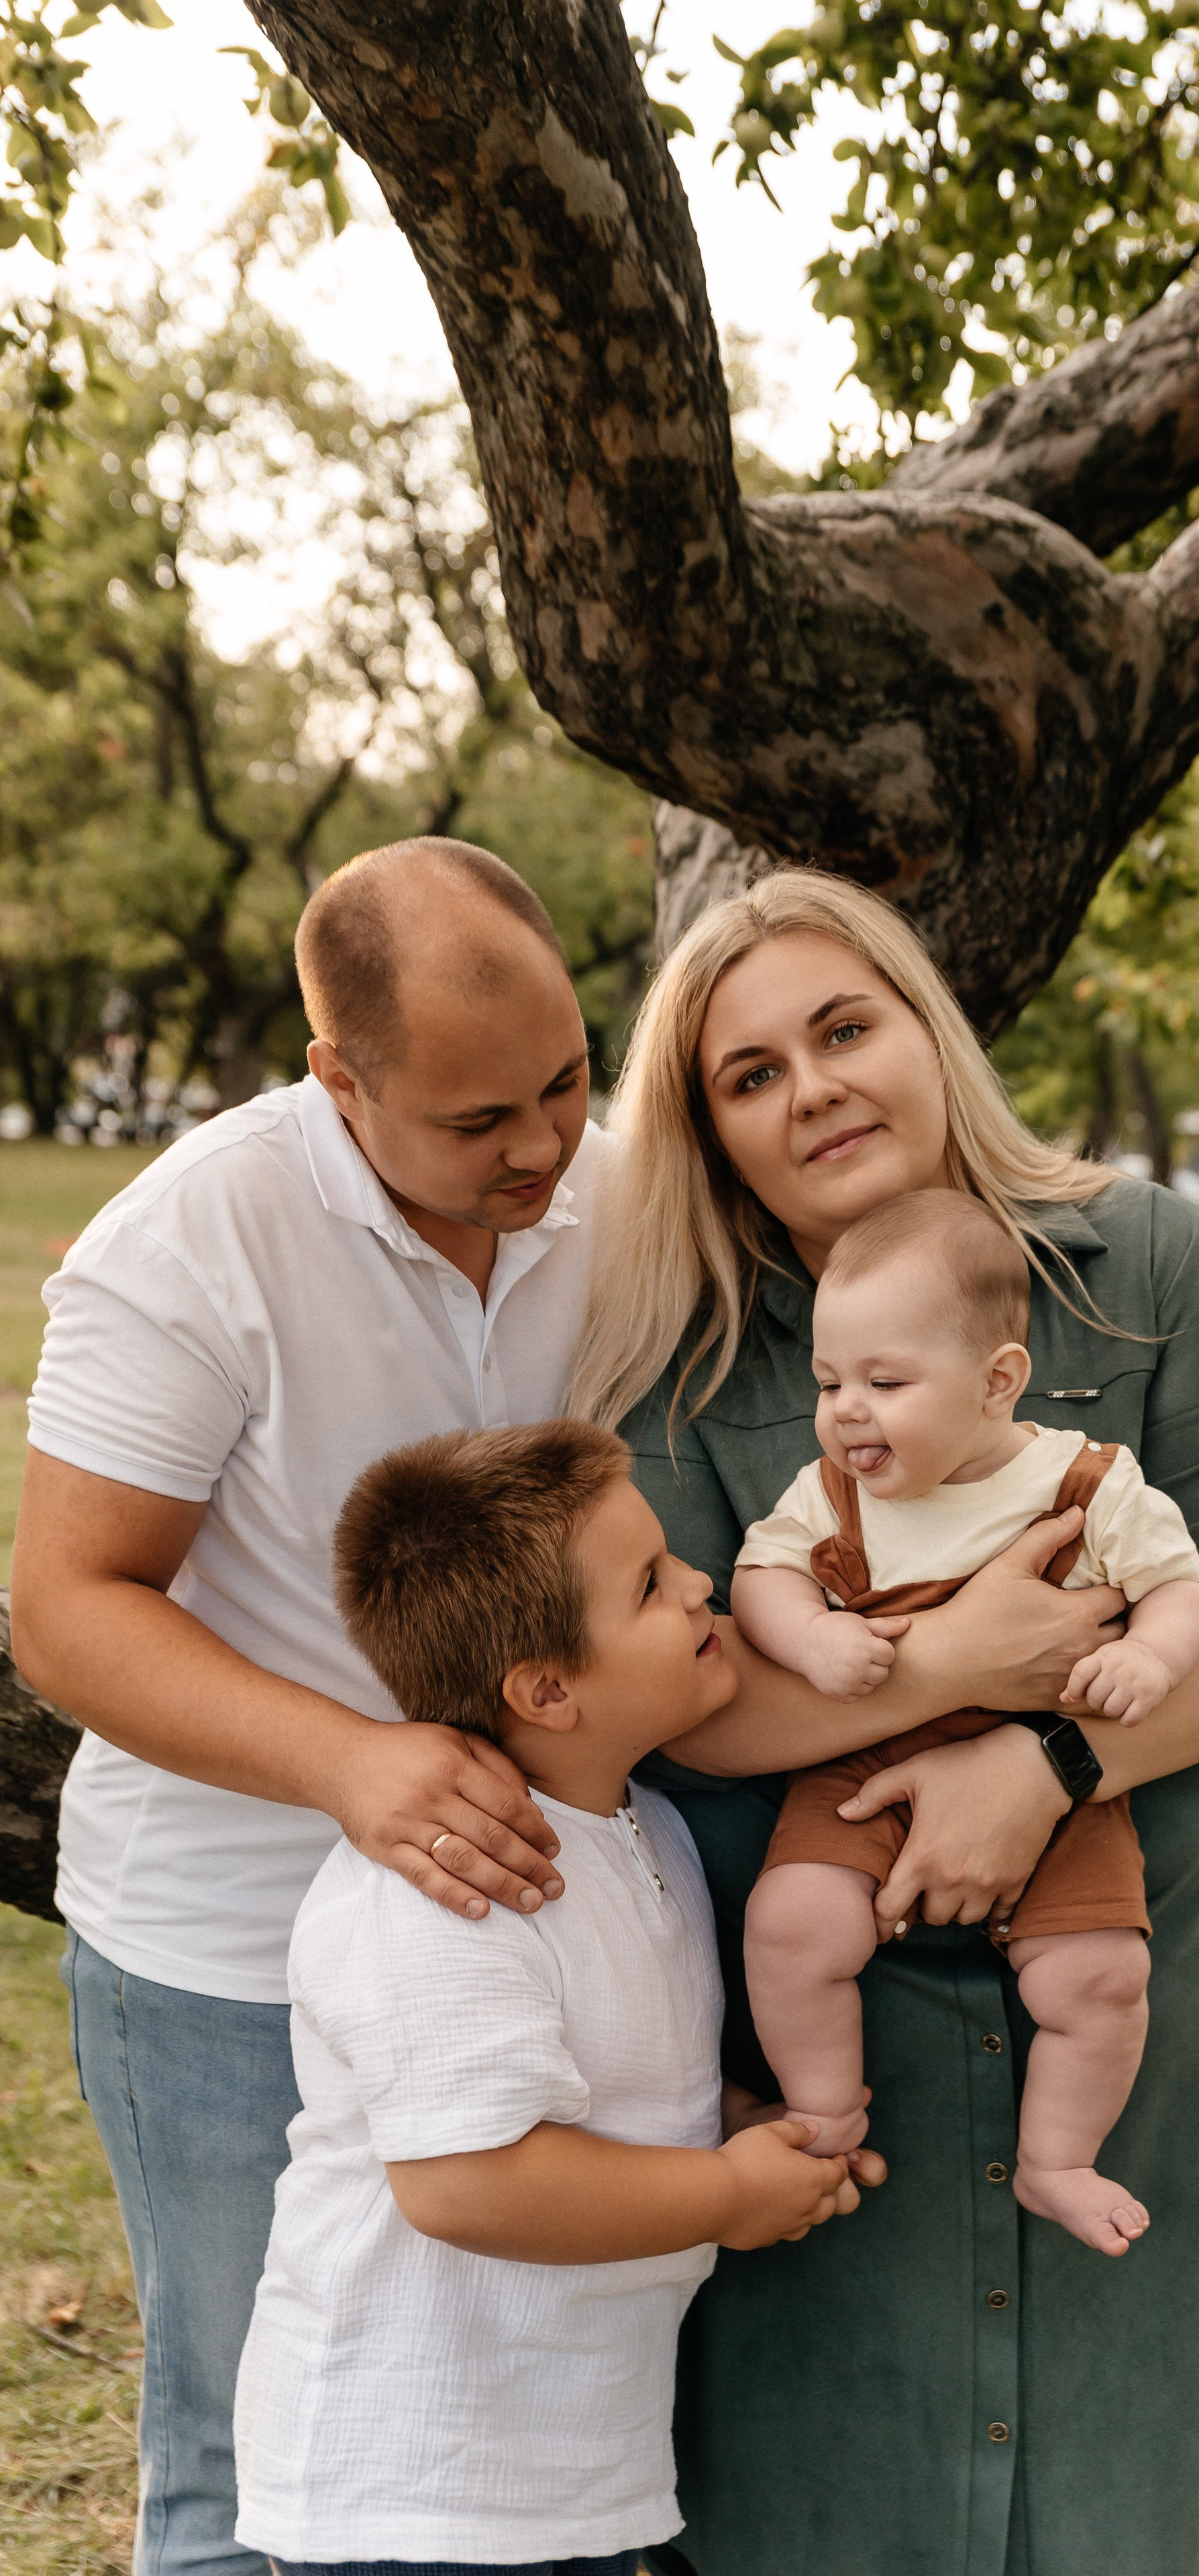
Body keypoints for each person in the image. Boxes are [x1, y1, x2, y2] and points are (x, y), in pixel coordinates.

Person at [567, 867, 1199, 2576]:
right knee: (824, 2500)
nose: (813, 1087)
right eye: (749, 1074)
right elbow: (684, 1707)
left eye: (842, 1028)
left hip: (1128, 1957)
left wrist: (1046, 1762)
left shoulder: (1139, 1263)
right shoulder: (675, 1359)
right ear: (707, 1134)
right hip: (832, 2026)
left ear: (928, 1027)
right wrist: (949, 1672)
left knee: (1105, 2485)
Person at [11, 838, 617, 2576]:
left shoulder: (608, 1178)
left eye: (566, 1084)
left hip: (522, 1936)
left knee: (502, 2444)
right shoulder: (190, 1241)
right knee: (248, 2450)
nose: (543, 1148)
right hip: (229, 1955)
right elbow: (66, 1608)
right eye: (477, 1119)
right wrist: (351, 1761)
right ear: (336, 1079)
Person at [236, 1417, 859, 2576]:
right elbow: (468, 2182)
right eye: (651, 1585)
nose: (700, 1584)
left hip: (559, 2468)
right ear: (547, 1689)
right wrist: (724, 2193)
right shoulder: (446, 1891)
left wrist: (732, 2123)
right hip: (413, 2490)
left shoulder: (644, 1827)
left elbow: (614, 2072)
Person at [731, 1187, 1199, 2256]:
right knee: (793, 1924)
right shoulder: (832, 1498)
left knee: (1100, 1976)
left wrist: (1147, 1653)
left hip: (1052, 1762)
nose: (847, 1410)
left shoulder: (1089, 1483)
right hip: (869, 1758)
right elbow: (761, 1574)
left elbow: (1180, 1585)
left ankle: (1057, 2161)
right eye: (829, 1382)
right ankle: (827, 2108)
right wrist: (811, 1638)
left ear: (999, 1382)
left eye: (885, 1382)